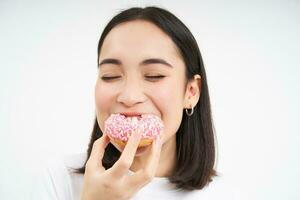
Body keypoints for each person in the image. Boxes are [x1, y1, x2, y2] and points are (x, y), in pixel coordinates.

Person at [31, 6, 236, 200]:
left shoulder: (227, 193)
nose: (129, 97)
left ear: (191, 92)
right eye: (110, 76)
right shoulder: (58, 178)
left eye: (154, 75)